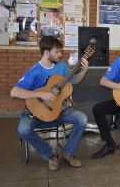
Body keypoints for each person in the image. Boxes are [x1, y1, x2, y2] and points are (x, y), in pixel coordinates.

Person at [11, 35, 89, 171]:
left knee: (81, 118)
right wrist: (39, 93)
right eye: (57, 51)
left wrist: (84, 70)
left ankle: (68, 153)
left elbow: (74, 81)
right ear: (46, 52)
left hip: (58, 110)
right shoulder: (34, 71)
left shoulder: (62, 66)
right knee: (22, 129)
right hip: (37, 112)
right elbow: (14, 92)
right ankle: (50, 154)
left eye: (60, 51)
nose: (60, 54)